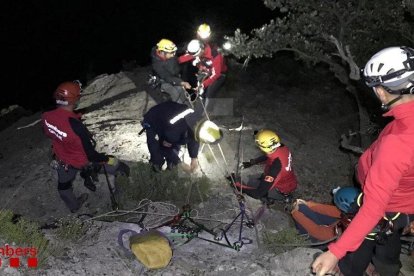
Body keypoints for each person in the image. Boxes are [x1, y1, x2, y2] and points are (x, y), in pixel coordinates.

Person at [312, 46, 414, 276]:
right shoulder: (405, 126)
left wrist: (335, 253)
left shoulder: (398, 143)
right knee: (388, 249)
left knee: (356, 257)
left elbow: (373, 208)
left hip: (386, 209)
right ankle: (388, 270)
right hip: (403, 207)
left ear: (381, 91)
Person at [42, 81, 129, 213]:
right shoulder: (76, 126)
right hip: (82, 161)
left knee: (63, 186)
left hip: (62, 160)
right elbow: (91, 155)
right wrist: (107, 158)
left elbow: (50, 133)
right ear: (75, 99)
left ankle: (74, 206)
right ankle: (123, 189)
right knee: (117, 164)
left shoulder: (46, 116)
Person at [232, 129, 298, 203]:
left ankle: (275, 198)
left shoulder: (276, 168)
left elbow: (258, 193)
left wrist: (237, 185)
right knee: (255, 180)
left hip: (281, 188)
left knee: (252, 184)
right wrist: (253, 162)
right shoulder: (281, 146)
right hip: (288, 180)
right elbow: (269, 155)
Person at [141, 101, 200, 173]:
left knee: (176, 144)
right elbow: (165, 147)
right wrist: (180, 164)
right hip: (153, 120)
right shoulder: (174, 131)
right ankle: (156, 168)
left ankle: (171, 166)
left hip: (170, 118)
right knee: (155, 150)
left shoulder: (197, 122)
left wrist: (194, 158)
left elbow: (194, 138)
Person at [291, 186, 361, 242]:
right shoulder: (356, 211)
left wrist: (296, 213)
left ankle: (305, 240)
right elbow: (331, 211)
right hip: (334, 224)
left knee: (301, 215)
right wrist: (308, 204)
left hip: (327, 241)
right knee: (303, 208)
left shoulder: (345, 228)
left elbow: (318, 232)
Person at [150, 38, 192, 104]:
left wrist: (192, 45)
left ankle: (188, 106)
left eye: (174, 52)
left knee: (181, 90)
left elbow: (182, 47)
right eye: (172, 53)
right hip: (163, 81)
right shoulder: (156, 64)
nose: (174, 54)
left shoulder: (169, 52)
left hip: (175, 76)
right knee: (175, 93)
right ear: (162, 53)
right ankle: (180, 109)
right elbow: (167, 77)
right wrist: (181, 82)